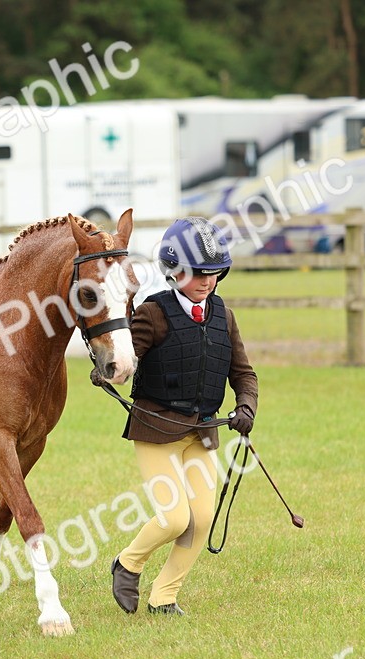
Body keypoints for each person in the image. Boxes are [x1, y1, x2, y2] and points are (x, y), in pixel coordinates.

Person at [110, 216, 258, 616]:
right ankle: (128, 563)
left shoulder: (223, 315)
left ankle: (165, 596)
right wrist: (110, 368)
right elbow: (126, 359)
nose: (207, 282)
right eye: (197, 274)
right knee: (174, 518)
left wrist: (246, 407)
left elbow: (243, 372)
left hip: (203, 433)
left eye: (213, 274)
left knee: (201, 517)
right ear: (174, 271)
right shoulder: (153, 314)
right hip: (156, 429)